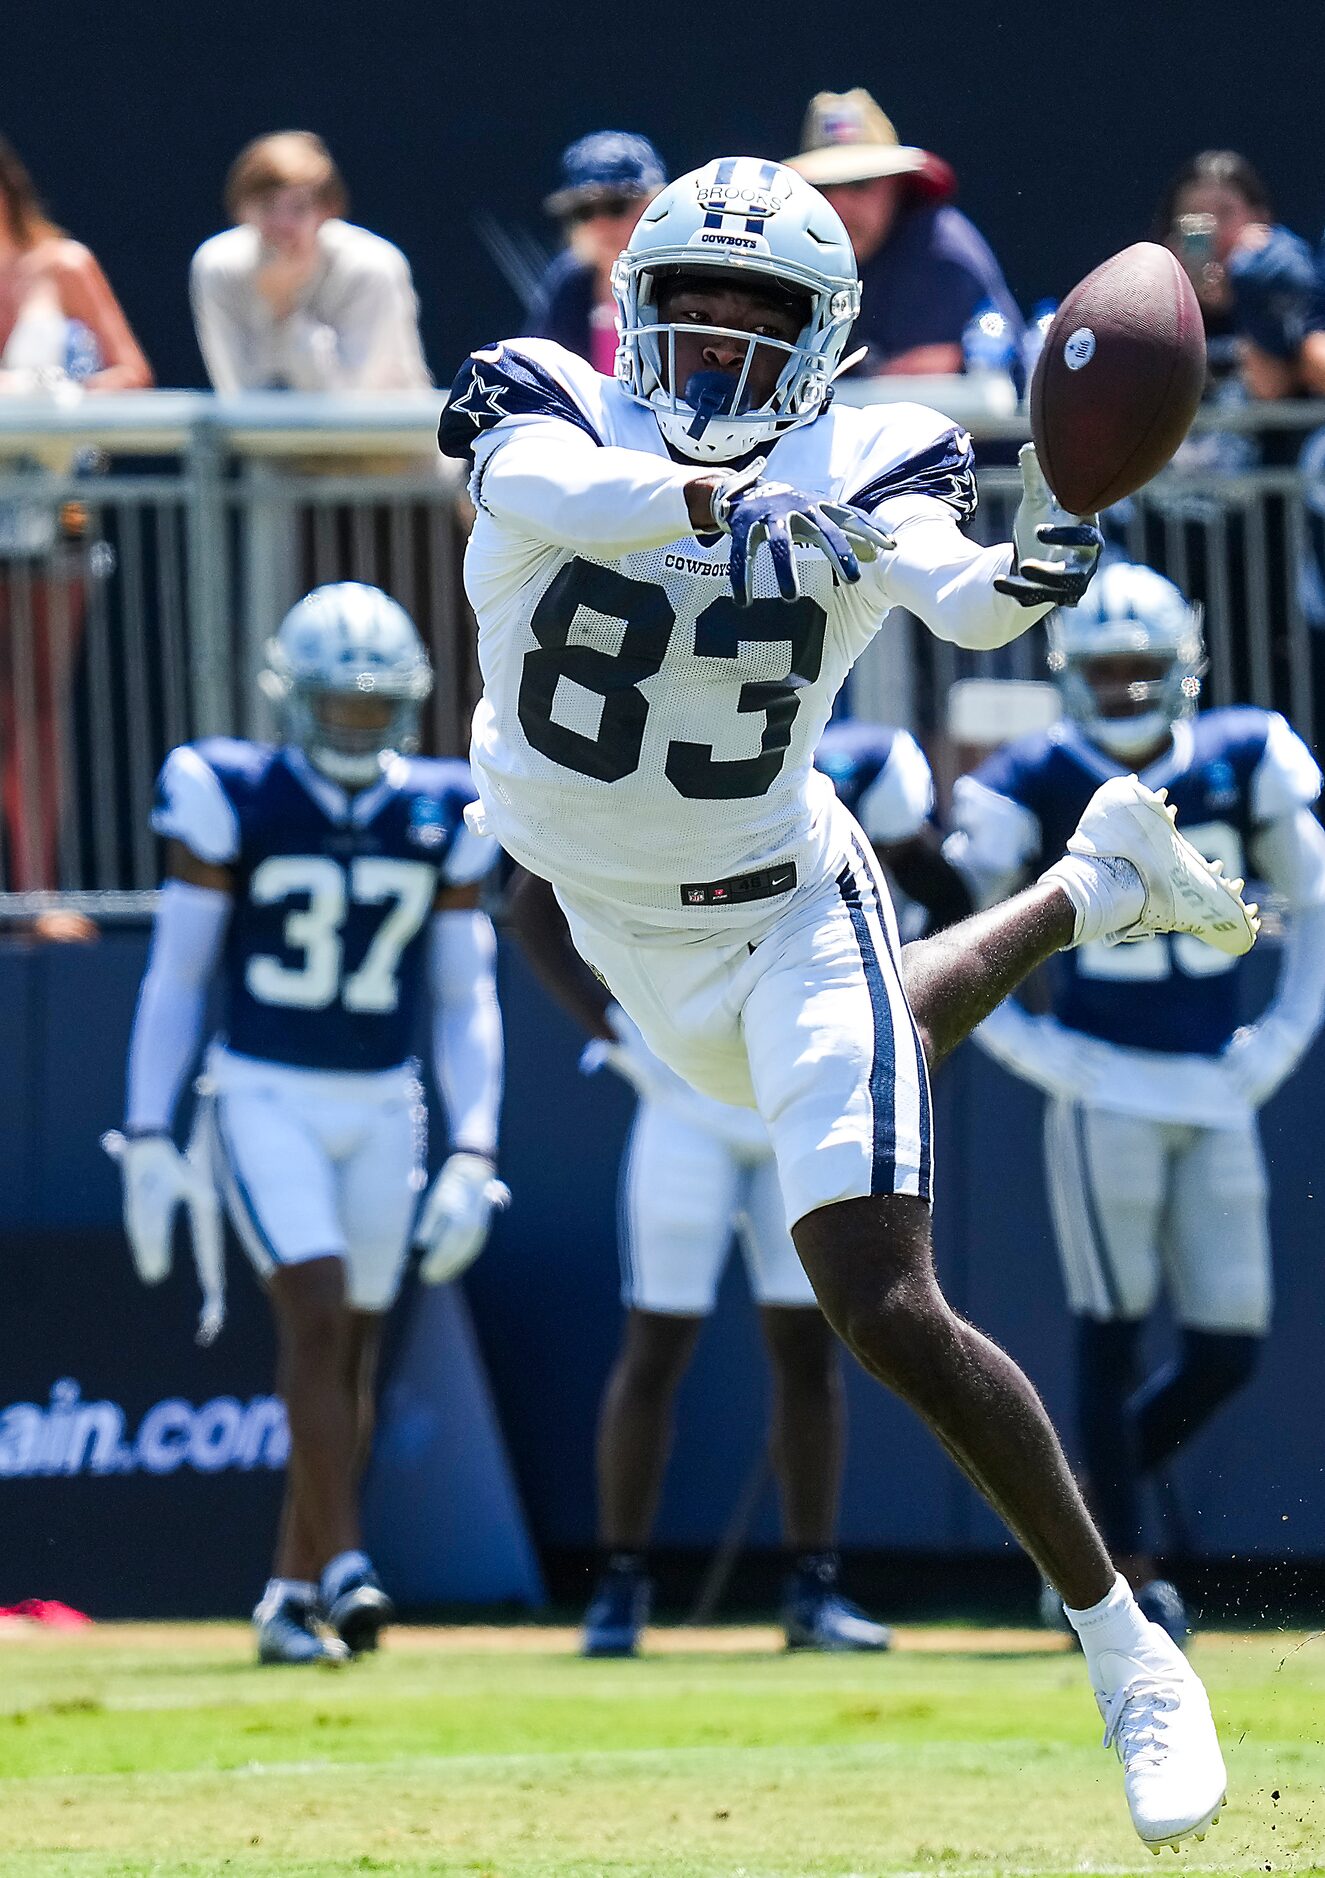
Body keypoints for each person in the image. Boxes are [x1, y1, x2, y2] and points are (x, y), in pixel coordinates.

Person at [438, 154, 1250, 1851]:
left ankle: (1129, 1647)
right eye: (693, 314)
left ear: (827, 344)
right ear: (628, 313)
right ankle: (1089, 889)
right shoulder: (544, 400)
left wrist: (1033, 560)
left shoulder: (875, 450)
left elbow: (951, 580)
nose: (723, 355)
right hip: (607, 912)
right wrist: (721, 510)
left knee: (875, 1297)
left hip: (791, 908)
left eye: (764, 324)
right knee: (791, 1102)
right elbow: (563, 495)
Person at [513, 721, 970, 1656]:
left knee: (810, 1343)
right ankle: (620, 1586)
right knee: (656, 1341)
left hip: (794, 1104)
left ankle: (811, 1584)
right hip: (686, 1102)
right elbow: (533, 900)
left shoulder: (875, 779)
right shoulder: (686, 750)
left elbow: (940, 886)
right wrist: (612, 1035)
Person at [113, 582, 506, 1664]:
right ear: (293, 700)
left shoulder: (442, 807)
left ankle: (291, 1594)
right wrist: (148, 1133)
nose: (353, 724)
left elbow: (464, 996)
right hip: (262, 1093)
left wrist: (475, 1147)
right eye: (336, 704)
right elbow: (177, 976)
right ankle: (345, 1564)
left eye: (371, 705)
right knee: (318, 1316)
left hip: (385, 1101)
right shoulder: (229, 790)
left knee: (354, 1354)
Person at [944, 561, 1325, 1644]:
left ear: (1179, 671)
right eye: (1103, 671)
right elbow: (975, 945)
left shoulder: (1242, 759)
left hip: (1215, 1080)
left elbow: (1314, 898)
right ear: (1073, 675)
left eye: (1137, 671)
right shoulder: (1033, 777)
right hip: (1102, 1082)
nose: (1120, 691)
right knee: (1107, 1333)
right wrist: (1042, 1056)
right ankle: (1116, 1566)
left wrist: (1280, 1041)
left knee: (1225, 1345)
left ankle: (1067, 1524)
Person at [0, 136, 152, 911]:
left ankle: (39, 896)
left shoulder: (61, 266)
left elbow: (131, 372)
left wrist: (60, 405)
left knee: (35, 709)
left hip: (52, 520)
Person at [784, 90, 1022, 377]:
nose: (839, 204)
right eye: (823, 188)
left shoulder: (943, 252)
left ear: (897, 187)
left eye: (860, 183)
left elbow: (1000, 369)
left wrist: (967, 362)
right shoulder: (786, 257)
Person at [190, 132, 431, 392]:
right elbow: (235, 391)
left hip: (390, 430)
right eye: (267, 206)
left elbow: (351, 403)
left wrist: (287, 314)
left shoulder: (373, 267)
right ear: (240, 209)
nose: (283, 224)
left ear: (327, 211)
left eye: (299, 207)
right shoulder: (218, 266)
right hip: (269, 432)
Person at [1153, 150, 1325, 403]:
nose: (1211, 229)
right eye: (1194, 217)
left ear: (1259, 219)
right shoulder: (1151, 291)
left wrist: (1243, 289)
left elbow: (1270, 386)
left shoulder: (1275, 274)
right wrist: (1170, 293)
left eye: (1225, 212)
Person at [533, 131, 667, 375]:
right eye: (585, 211)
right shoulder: (570, 281)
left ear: (656, 204)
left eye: (617, 206)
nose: (600, 224)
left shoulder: (682, 274)